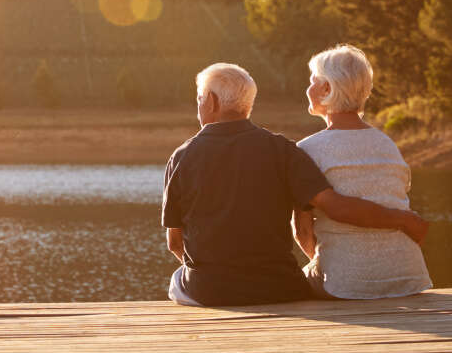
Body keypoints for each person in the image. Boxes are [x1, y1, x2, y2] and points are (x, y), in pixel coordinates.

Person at [163, 62, 427, 306]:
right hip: (279, 288)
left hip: (209, 291)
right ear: (248, 104)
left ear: (210, 102)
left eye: (199, 99)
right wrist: (402, 219)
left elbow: (175, 243)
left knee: (177, 280)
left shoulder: (181, 157)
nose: (199, 106)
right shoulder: (284, 150)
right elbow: (329, 205)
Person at [294, 44, 433, 299]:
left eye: (313, 81)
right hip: (408, 278)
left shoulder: (306, 150)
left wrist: (336, 266)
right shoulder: (388, 145)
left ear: (327, 89)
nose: (308, 88)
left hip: (345, 285)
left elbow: (302, 232)